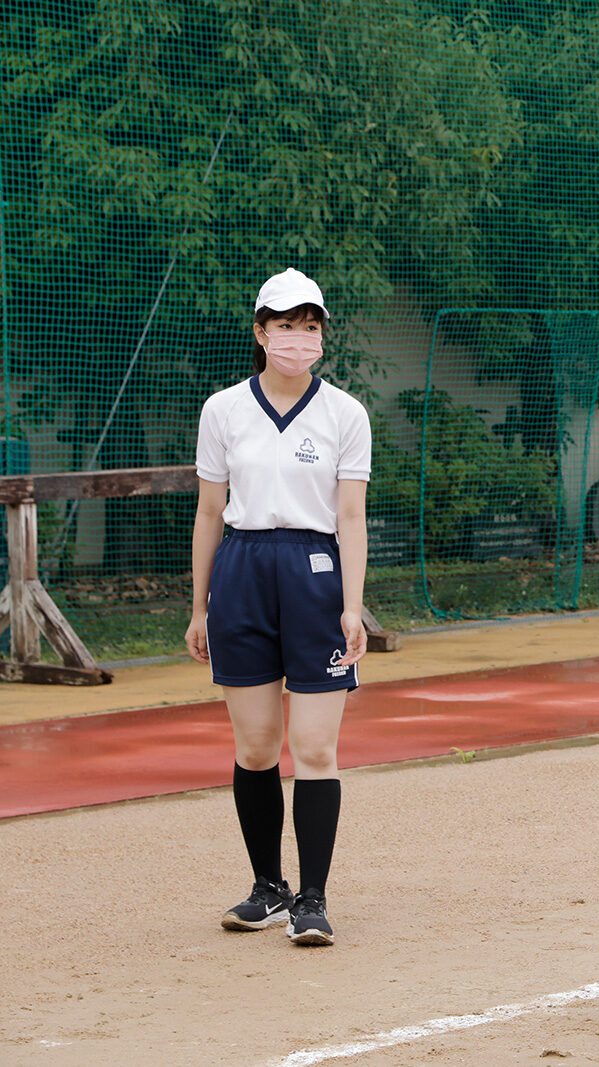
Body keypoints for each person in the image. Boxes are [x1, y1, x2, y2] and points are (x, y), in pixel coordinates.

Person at [185, 268, 372, 946]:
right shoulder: (223, 409)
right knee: (256, 744)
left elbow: (350, 517)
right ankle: (269, 886)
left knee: (314, 746)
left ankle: (313, 899)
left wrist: (354, 605)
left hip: (314, 572)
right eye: (287, 324)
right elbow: (209, 511)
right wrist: (199, 605)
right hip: (241, 569)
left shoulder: (345, 413)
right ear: (261, 331)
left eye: (311, 325)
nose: (300, 337)